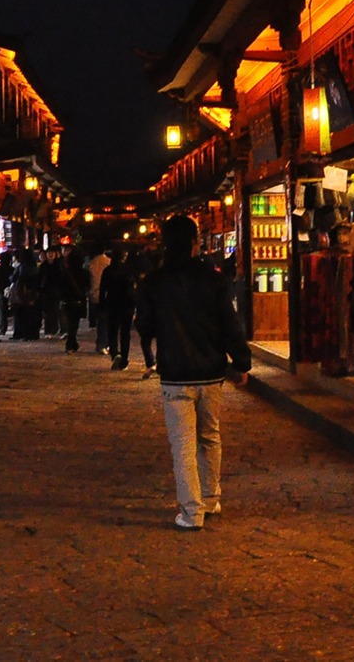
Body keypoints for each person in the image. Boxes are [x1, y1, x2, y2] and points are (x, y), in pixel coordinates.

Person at [135, 215, 251, 531]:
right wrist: (241, 363)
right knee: (210, 437)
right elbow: (231, 324)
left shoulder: (153, 282)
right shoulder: (212, 279)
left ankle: (191, 511)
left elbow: (144, 326)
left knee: (183, 443)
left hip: (175, 374)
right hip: (211, 373)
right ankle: (212, 498)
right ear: (195, 243)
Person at [100, 247, 138, 371]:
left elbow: (102, 290)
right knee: (125, 333)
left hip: (112, 303)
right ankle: (124, 360)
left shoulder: (108, 270)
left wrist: (102, 305)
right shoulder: (129, 270)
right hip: (126, 305)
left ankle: (115, 353)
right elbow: (133, 289)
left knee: (112, 331)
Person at [86, 245, 112, 353]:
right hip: (106, 295)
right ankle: (104, 343)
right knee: (105, 320)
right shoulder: (108, 262)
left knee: (100, 319)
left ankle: (101, 343)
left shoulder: (91, 263)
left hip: (94, 294)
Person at [0, 250, 15, 335]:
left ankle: (3, 328)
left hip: (1, 291)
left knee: (2, 310)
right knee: (12, 309)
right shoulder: (11, 269)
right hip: (11, 290)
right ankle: (13, 327)